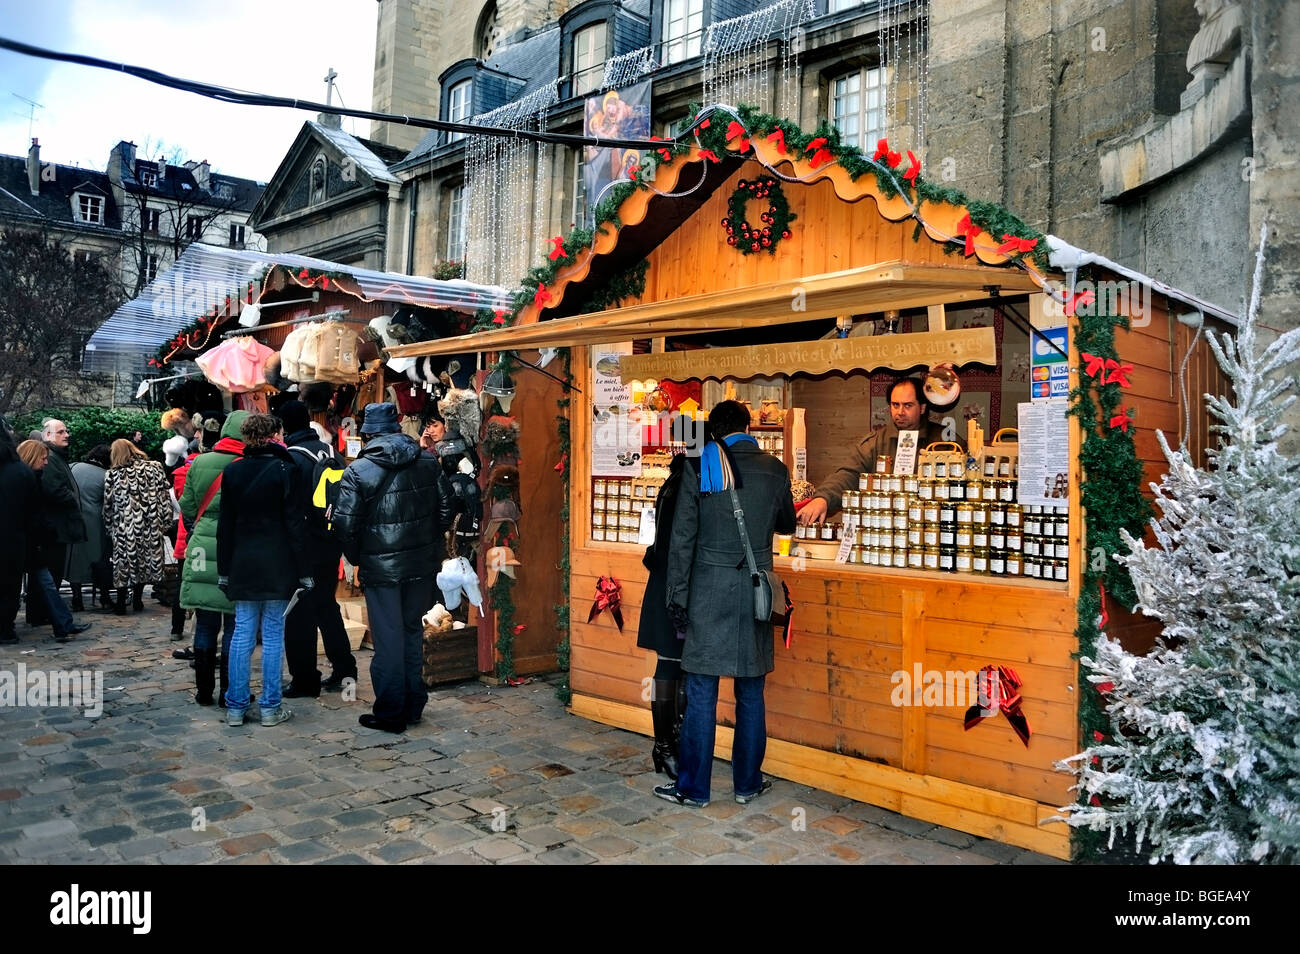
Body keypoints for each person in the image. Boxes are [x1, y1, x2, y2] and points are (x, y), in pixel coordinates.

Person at [655, 400, 796, 808]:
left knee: (701, 690)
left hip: (708, 590)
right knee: (752, 691)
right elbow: (786, 523)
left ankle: (694, 789)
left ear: (714, 431)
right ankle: (746, 784)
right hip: (756, 590)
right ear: (749, 427)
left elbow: (683, 538)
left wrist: (677, 597)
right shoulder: (775, 468)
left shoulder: (701, 466)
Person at [333, 402, 454, 734]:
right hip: (420, 563)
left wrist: (360, 558)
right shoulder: (427, 462)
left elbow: (345, 526)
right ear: (398, 427)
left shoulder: (358, 471)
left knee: (388, 639)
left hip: (382, 568)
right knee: (411, 632)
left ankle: (390, 712)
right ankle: (413, 704)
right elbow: (447, 509)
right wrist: (429, 543)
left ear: (369, 433)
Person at [216, 413, 309, 728]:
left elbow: (224, 526)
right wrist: (304, 568)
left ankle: (236, 707)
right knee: (272, 634)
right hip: (277, 562)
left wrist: (224, 569)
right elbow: (296, 525)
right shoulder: (286, 470)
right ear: (275, 435)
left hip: (243, 561)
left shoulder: (233, 471)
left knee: (242, 632)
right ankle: (270, 706)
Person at [798, 375, 956, 525]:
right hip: (884, 529)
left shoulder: (944, 441)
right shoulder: (875, 442)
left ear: (922, 408)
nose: (900, 412)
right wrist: (823, 498)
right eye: (895, 405)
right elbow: (848, 474)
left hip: (929, 527)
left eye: (908, 405)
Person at [278, 400, 358, 697]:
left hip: (304, 546)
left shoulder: (292, 458)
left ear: (285, 425)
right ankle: (345, 669)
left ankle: (305, 679)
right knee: (326, 606)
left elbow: (290, 509)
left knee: (298, 613)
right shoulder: (331, 452)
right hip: (330, 541)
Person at [179, 410, 248, 707]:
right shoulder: (249, 464)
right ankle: (230, 693)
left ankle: (203, 691)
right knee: (234, 625)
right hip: (236, 546)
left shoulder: (200, 462)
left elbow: (188, 506)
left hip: (202, 547)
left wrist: (200, 526)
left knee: (206, 624)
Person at [637, 452, 689, 780]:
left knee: (676, 664)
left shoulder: (677, 480)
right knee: (671, 663)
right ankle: (666, 745)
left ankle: (669, 744)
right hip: (674, 587)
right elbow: (677, 544)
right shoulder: (687, 484)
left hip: (670, 584)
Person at [16, 439, 93, 642]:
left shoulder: (32, 478)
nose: (46, 462)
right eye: (43, 458)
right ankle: (61, 624)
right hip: (31, 541)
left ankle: (62, 624)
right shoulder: (29, 480)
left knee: (46, 583)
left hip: (32, 541)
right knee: (45, 583)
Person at [102, 439, 172, 615]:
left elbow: (108, 505)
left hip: (125, 528)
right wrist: (165, 521)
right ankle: (138, 599)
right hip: (150, 525)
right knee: (146, 561)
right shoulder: (155, 468)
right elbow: (164, 497)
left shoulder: (113, 474)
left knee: (124, 565)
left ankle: (120, 602)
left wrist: (109, 527)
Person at [27, 419, 87, 624]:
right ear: (48, 436)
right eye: (60, 432)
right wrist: (71, 497)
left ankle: (43, 613)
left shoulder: (56, 457)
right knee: (49, 574)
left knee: (51, 574)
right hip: (54, 527)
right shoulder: (51, 458)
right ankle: (41, 613)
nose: (66, 434)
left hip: (57, 526)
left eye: (66, 430)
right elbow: (53, 489)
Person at [0, 425, 39, 645]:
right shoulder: (20, 471)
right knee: (8, 586)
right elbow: (32, 511)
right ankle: (5, 627)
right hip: (12, 540)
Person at [67, 445, 113, 612]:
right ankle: (105, 596)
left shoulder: (73, 467)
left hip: (73, 520)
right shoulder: (106, 476)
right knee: (100, 559)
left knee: (75, 561)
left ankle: (77, 598)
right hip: (96, 523)